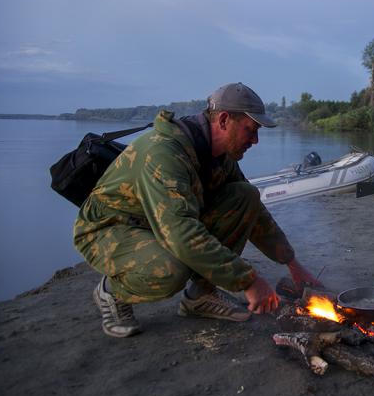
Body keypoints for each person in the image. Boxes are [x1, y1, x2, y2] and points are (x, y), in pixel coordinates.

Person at [74, 82, 321, 338]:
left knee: (245, 195)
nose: (255, 140)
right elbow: (182, 234)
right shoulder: (165, 154)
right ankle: (112, 291)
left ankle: (200, 295)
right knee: (170, 270)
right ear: (224, 119)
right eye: (251, 130)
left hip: (161, 223)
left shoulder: (220, 154)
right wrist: (248, 281)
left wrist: (291, 262)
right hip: (110, 228)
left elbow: (254, 212)